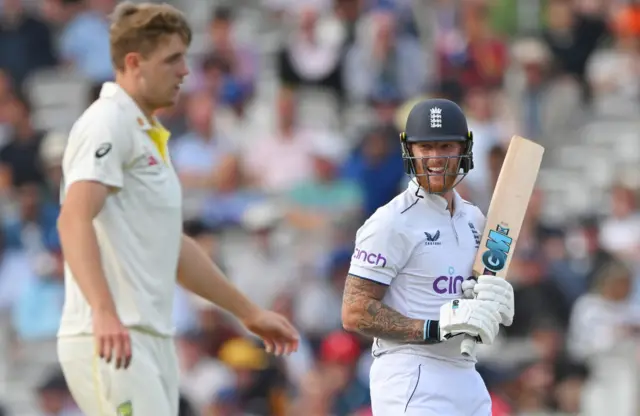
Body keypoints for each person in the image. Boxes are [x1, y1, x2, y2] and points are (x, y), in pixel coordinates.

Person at [56, 3, 299, 416]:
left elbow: (173, 247)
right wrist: (103, 311)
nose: (186, 71)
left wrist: (249, 313)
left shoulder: (148, 136)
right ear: (135, 63)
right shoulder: (107, 123)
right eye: (173, 59)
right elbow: (73, 217)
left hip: (150, 337)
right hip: (112, 337)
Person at [341, 98, 515, 415]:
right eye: (426, 148)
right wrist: (435, 328)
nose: (435, 159)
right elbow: (355, 313)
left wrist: (493, 302)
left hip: (466, 372)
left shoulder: (475, 220)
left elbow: (468, 298)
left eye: (446, 146)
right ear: (410, 151)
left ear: (465, 149)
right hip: (411, 373)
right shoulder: (391, 222)